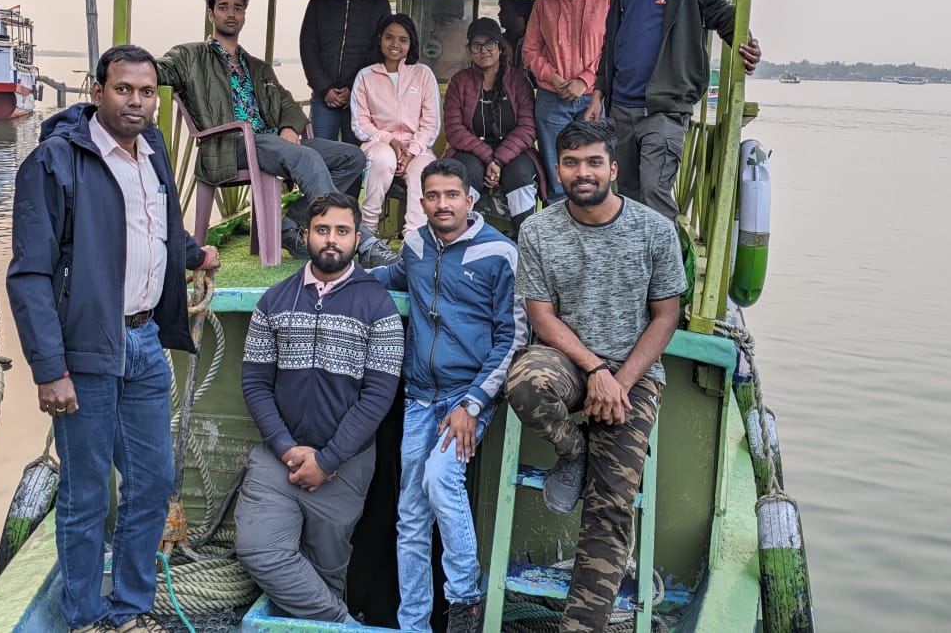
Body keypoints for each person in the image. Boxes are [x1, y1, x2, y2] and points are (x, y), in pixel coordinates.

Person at [6, 45, 221, 633]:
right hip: (86, 351)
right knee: (84, 497)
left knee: (152, 484)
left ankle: (130, 608)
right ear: (97, 91)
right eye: (123, 89)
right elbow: (29, 274)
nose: (136, 101)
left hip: (145, 341)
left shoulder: (152, 154)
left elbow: (157, 234)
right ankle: (83, 617)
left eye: (147, 92)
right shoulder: (53, 162)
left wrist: (196, 253)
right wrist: (50, 369)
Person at [504, 119, 686, 632]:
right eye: (570, 163)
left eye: (592, 162)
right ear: (558, 168)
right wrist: (596, 370)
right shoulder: (539, 229)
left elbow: (666, 315)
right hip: (570, 362)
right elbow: (542, 317)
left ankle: (580, 628)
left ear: (613, 167)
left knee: (610, 506)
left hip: (635, 374)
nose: (581, 173)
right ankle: (573, 450)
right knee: (524, 382)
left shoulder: (655, 231)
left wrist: (620, 381)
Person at [371, 158, 526, 633]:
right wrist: (339, 280)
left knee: (440, 479)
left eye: (452, 195)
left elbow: (513, 336)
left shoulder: (500, 253)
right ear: (422, 202)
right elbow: (393, 277)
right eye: (433, 196)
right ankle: (413, 624)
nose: (443, 204)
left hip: (469, 394)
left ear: (470, 200)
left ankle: (464, 603)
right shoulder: (416, 245)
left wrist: (474, 403)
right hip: (419, 395)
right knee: (410, 517)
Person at [235, 191, 404, 624]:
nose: (332, 240)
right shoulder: (273, 301)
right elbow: (255, 384)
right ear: (306, 235)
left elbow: (377, 399)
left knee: (329, 570)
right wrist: (287, 449)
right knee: (259, 550)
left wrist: (327, 460)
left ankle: (327, 615)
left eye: (342, 231)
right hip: (279, 460)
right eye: (322, 230)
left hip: (344, 465)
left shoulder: (377, 306)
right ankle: (343, 624)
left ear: (356, 237)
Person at [157, 0, 395, 266]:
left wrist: (288, 127)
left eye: (238, 8)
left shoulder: (256, 67)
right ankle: (362, 239)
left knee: (352, 156)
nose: (231, 13)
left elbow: (288, 104)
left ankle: (288, 224)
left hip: (270, 142)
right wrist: (121, 70)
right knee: (306, 157)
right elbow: (154, 71)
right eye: (223, 7)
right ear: (211, 14)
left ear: (244, 15)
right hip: (229, 145)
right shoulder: (190, 57)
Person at [584, 0, 762, 219]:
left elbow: (724, 14)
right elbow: (613, 38)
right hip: (621, 108)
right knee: (629, 198)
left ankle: (669, 273)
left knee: (654, 193)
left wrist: (746, 45)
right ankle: (636, 272)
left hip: (664, 110)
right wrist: (598, 94)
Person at [523, 0, 611, 204]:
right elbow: (530, 51)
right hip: (552, 98)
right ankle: (560, 235)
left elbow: (612, 48)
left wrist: (584, 81)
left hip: (592, 99)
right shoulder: (543, 2)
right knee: (557, 168)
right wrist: (554, 77)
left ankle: (592, 224)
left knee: (593, 165)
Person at [443, 17, 543, 232]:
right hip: (471, 151)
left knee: (520, 175)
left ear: (500, 47)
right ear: (469, 49)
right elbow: (454, 129)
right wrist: (489, 158)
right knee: (465, 172)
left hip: (514, 152)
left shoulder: (519, 81)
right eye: (476, 45)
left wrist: (499, 159)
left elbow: (527, 128)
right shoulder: (459, 82)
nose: (483, 50)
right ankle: (461, 238)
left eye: (489, 44)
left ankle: (525, 240)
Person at [351, 13, 441, 237]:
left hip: (417, 148)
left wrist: (410, 152)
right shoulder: (366, 76)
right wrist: (389, 140)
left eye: (403, 40)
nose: (395, 45)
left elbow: (431, 123)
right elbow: (360, 123)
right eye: (389, 37)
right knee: (382, 159)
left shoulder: (423, 74)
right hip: (378, 143)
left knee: (424, 170)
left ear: (411, 44)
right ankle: (368, 233)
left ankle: (414, 238)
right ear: (380, 39)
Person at [300, 0, 392, 145]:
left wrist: (354, 87)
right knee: (321, 154)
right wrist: (325, 88)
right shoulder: (319, 1)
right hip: (325, 97)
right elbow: (308, 48)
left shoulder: (379, 3)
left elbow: (379, 51)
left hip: (361, 97)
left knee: (358, 157)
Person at [497, 0, 534, 71]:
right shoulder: (498, 40)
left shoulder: (534, 42)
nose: (499, 14)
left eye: (504, 10)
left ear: (520, 13)